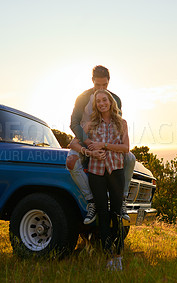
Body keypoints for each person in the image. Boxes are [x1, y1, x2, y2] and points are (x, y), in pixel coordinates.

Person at [66, 65, 135, 224]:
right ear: (92, 81)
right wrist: (89, 143)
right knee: (71, 162)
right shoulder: (82, 98)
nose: (101, 88)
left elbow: (117, 125)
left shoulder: (115, 99)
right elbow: (74, 123)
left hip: (106, 143)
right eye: (98, 85)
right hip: (85, 140)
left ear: (108, 82)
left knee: (130, 159)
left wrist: (105, 146)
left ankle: (122, 200)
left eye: (104, 85)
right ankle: (92, 201)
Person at [69, 89, 128, 270]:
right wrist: (90, 152)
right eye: (98, 101)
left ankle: (118, 254)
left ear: (110, 102)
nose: (102, 103)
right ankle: (108, 255)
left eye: (104, 100)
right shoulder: (90, 124)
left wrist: (103, 145)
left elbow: (126, 148)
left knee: (116, 212)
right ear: (95, 105)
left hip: (116, 171)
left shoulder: (122, 123)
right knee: (102, 213)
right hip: (96, 172)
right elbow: (72, 144)